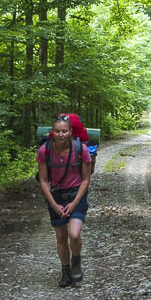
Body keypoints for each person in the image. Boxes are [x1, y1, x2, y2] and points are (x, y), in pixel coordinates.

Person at [37, 112, 93, 286]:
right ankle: (65, 271)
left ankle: (76, 264)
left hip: (77, 194)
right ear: (52, 132)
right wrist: (54, 204)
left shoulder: (81, 149)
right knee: (61, 237)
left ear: (70, 132)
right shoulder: (44, 151)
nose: (61, 135)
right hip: (56, 196)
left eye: (64, 131)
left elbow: (86, 179)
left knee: (74, 234)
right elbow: (44, 181)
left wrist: (74, 202)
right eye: (57, 131)